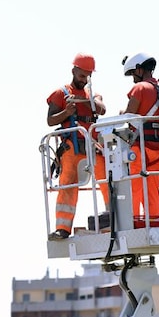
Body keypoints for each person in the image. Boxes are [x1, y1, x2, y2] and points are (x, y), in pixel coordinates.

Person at [99, 52, 159, 220]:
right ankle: (153, 219)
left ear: (139, 69)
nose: (133, 78)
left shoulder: (139, 88)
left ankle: (133, 220)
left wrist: (121, 113)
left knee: (135, 185)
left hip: (140, 147)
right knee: (153, 186)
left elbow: (129, 115)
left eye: (133, 73)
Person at [46, 53, 107, 240]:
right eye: (82, 76)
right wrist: (67, 111)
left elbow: (102, 108)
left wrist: (87, 102)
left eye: (88, 76)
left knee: (108, 180)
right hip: (71, 147)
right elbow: (50, 120)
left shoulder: (93, 96)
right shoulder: (60, 94)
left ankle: (114, 220)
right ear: (74, 71)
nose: (85, 80)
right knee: (68, 185)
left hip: (93, 146)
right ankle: (62, 228)